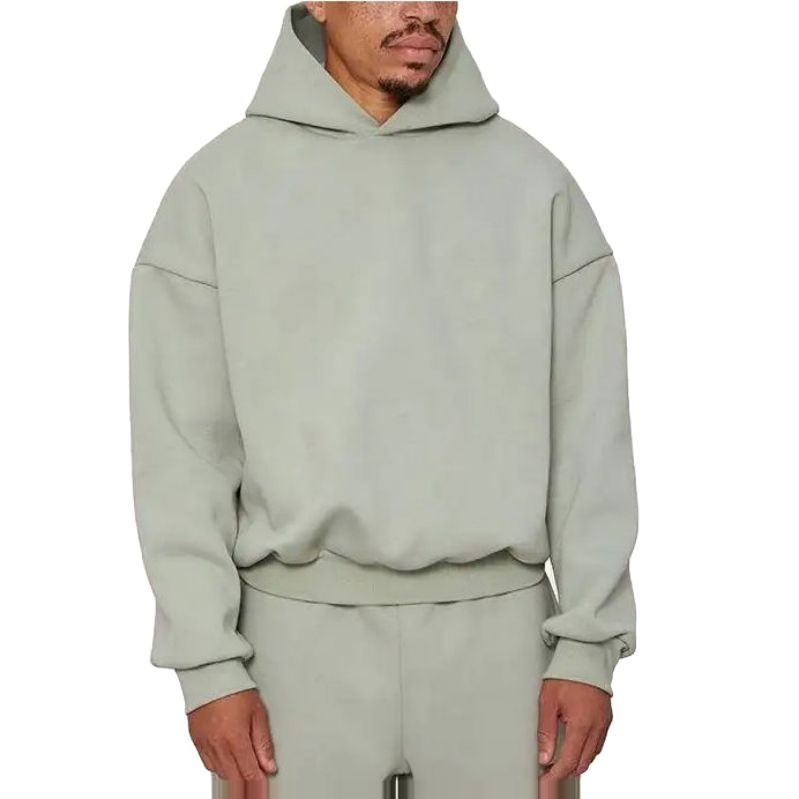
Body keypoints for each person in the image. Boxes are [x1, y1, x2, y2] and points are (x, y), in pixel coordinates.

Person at [128, 3, 639, 797]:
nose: (421, 11)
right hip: (289, 642)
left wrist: (587, 644)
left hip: (502, 642)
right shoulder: (216, 189)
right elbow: (183, 448)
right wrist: (206, 662)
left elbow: (590, 433)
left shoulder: (534, 185)